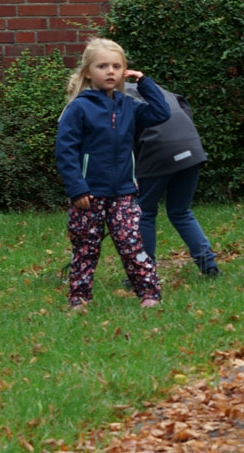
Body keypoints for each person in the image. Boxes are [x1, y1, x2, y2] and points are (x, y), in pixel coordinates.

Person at [55, 38, 171, 310]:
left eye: (117, 66)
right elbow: (65, 151)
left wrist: (143, 82)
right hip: (88, 195)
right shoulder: (79, 108)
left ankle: (149, 295)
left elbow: (161, 113)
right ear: (87, 72)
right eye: (102, 66)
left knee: (132, 244)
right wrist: (77, 188)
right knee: (86, 248)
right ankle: (79, 299)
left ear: (124, 71)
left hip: (124, 193)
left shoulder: (128, 105)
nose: (110, 71)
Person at [128, 82, 219, 278]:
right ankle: (208, 264)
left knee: (145, 212)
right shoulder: (157, 89)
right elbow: (183, 107)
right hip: (191, 148)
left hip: (157, 150)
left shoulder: (118, 98)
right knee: (180, 211)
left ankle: (144, 271)